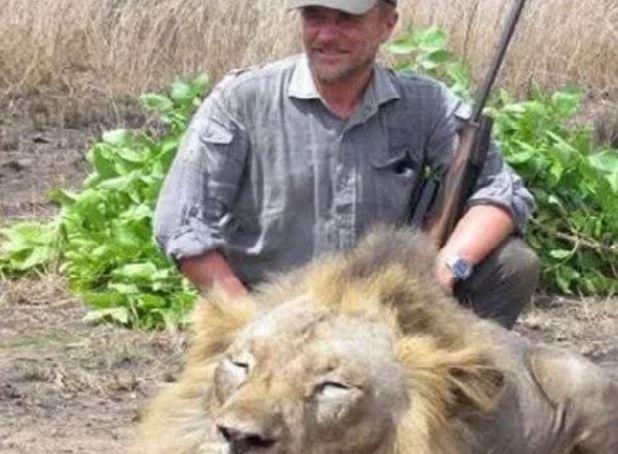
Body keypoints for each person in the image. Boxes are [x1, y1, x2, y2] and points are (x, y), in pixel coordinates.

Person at [154, 0, 540, 329]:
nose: (326, 35)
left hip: (382, 307)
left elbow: (500, 190)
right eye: (315, 17)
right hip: (273, 307)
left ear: (387, 24)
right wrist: (250, 322)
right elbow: (181, 224)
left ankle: (455, 403)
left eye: (347, 20)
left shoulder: (426, 104)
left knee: (512, 264)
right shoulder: (241, 101)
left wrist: (446, 269)